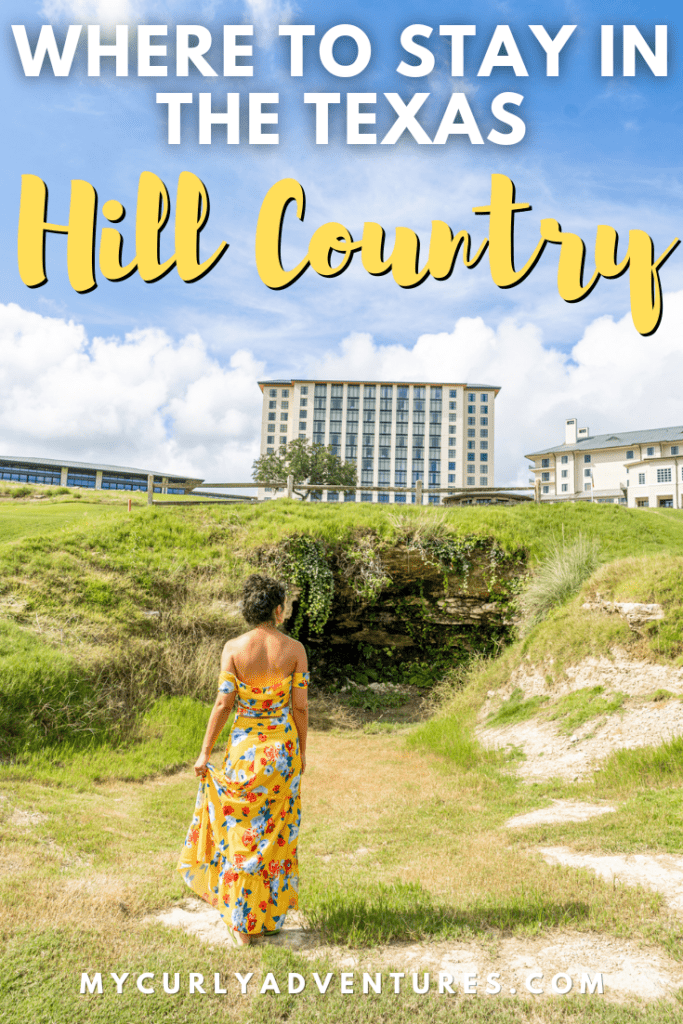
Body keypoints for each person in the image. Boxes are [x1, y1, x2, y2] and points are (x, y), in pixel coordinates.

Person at [177, 573, 309, 947]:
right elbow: (299, 706)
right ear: (278, 610)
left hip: (245, 755)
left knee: (241, 834)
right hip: (282, 754)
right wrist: (301, 753)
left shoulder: (233, 649)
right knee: (275, 834)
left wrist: (205, 753)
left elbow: (223, 703)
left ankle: (241, 923)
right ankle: (266, 919)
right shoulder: (296, 650)